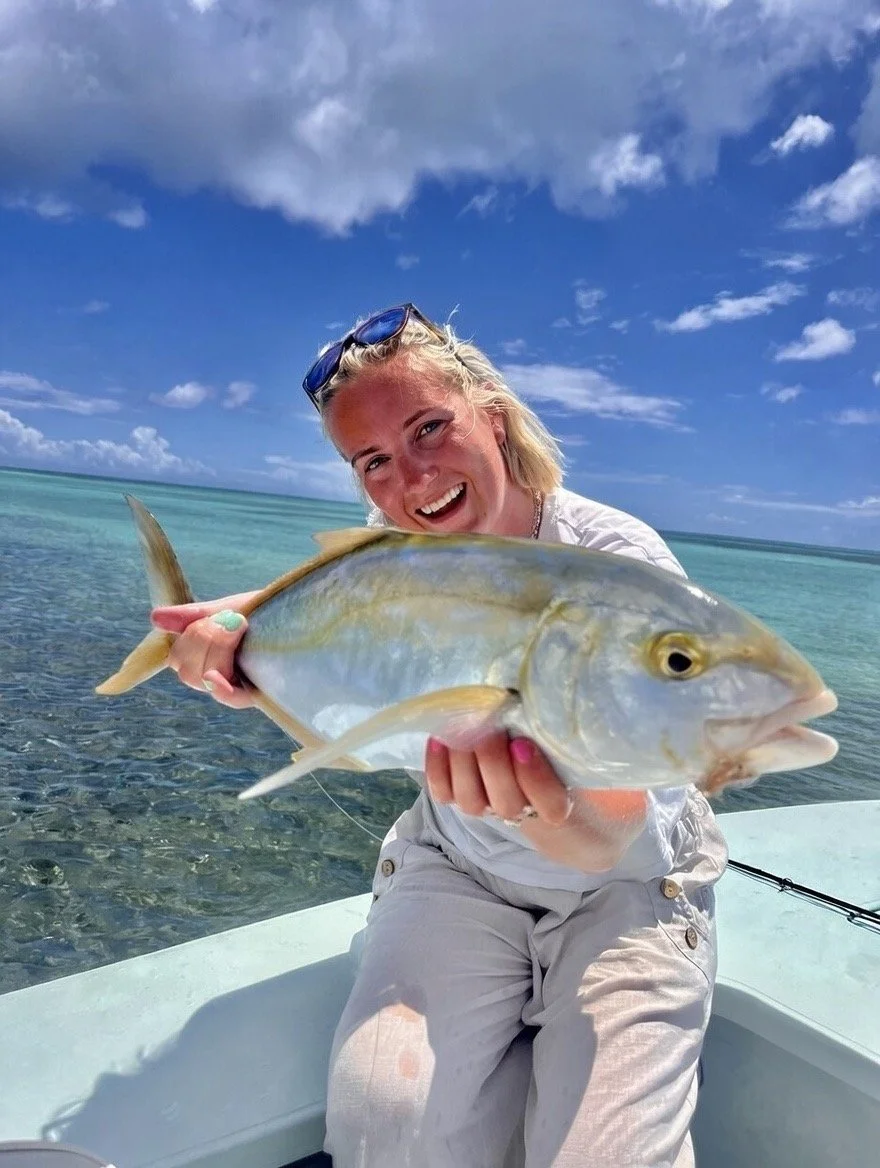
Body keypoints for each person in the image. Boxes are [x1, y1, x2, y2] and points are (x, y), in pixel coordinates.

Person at [152, 304, 728, 1168]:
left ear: (492, 415)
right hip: (461, 864)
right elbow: (315, 617)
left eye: (429, 428)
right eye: (373, 461)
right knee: (384, 1127)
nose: (413, 480)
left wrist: (552, 812)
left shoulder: (615, 565)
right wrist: (236, 646)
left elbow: (621, 834)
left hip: (628, 893)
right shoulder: (392, 557)